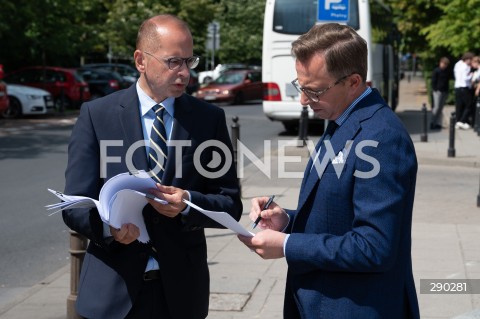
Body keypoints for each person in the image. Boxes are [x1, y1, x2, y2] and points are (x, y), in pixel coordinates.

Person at [62, 14, 242, 319]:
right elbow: (73, 205)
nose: (184, 72)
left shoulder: (208, 119)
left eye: (189, 61)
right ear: (141, 60)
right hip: (113, 292)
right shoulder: (97, 115)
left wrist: (187, 203)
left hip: (182, 295)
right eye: (174, 61)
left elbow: (230, 203)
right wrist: (110, 229)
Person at [238, 23, 420, 319]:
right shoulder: (341, 118)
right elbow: (337, 215)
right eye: (300, 86)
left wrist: (287, 245)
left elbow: (374, 246)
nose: (303, 101)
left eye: (314, 90)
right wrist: (288, 220)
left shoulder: (383, 137)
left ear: (353, 82)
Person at [453, 52, 474, 129]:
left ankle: (458, 121)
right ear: (467, 59)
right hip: (464, 87)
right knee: (468, 105)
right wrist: (471, 75)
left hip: (458, 86)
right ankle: (462, 121)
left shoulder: (458, 64)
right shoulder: (466, 67)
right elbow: (466, 78)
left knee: (459, 106)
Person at [430, 57, 451, 130]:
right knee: (436, 107)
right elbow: (433, 81)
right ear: (440, 63)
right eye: (443, 63)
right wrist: (435, 89)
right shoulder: (436, 71)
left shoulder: (447, 72)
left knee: (441, 108)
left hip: (444, 91)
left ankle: (438, 123)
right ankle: (432, 122)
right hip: (437, 91)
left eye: (446, 64)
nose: (444, 65)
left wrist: (447, 91)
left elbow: (447, 82)